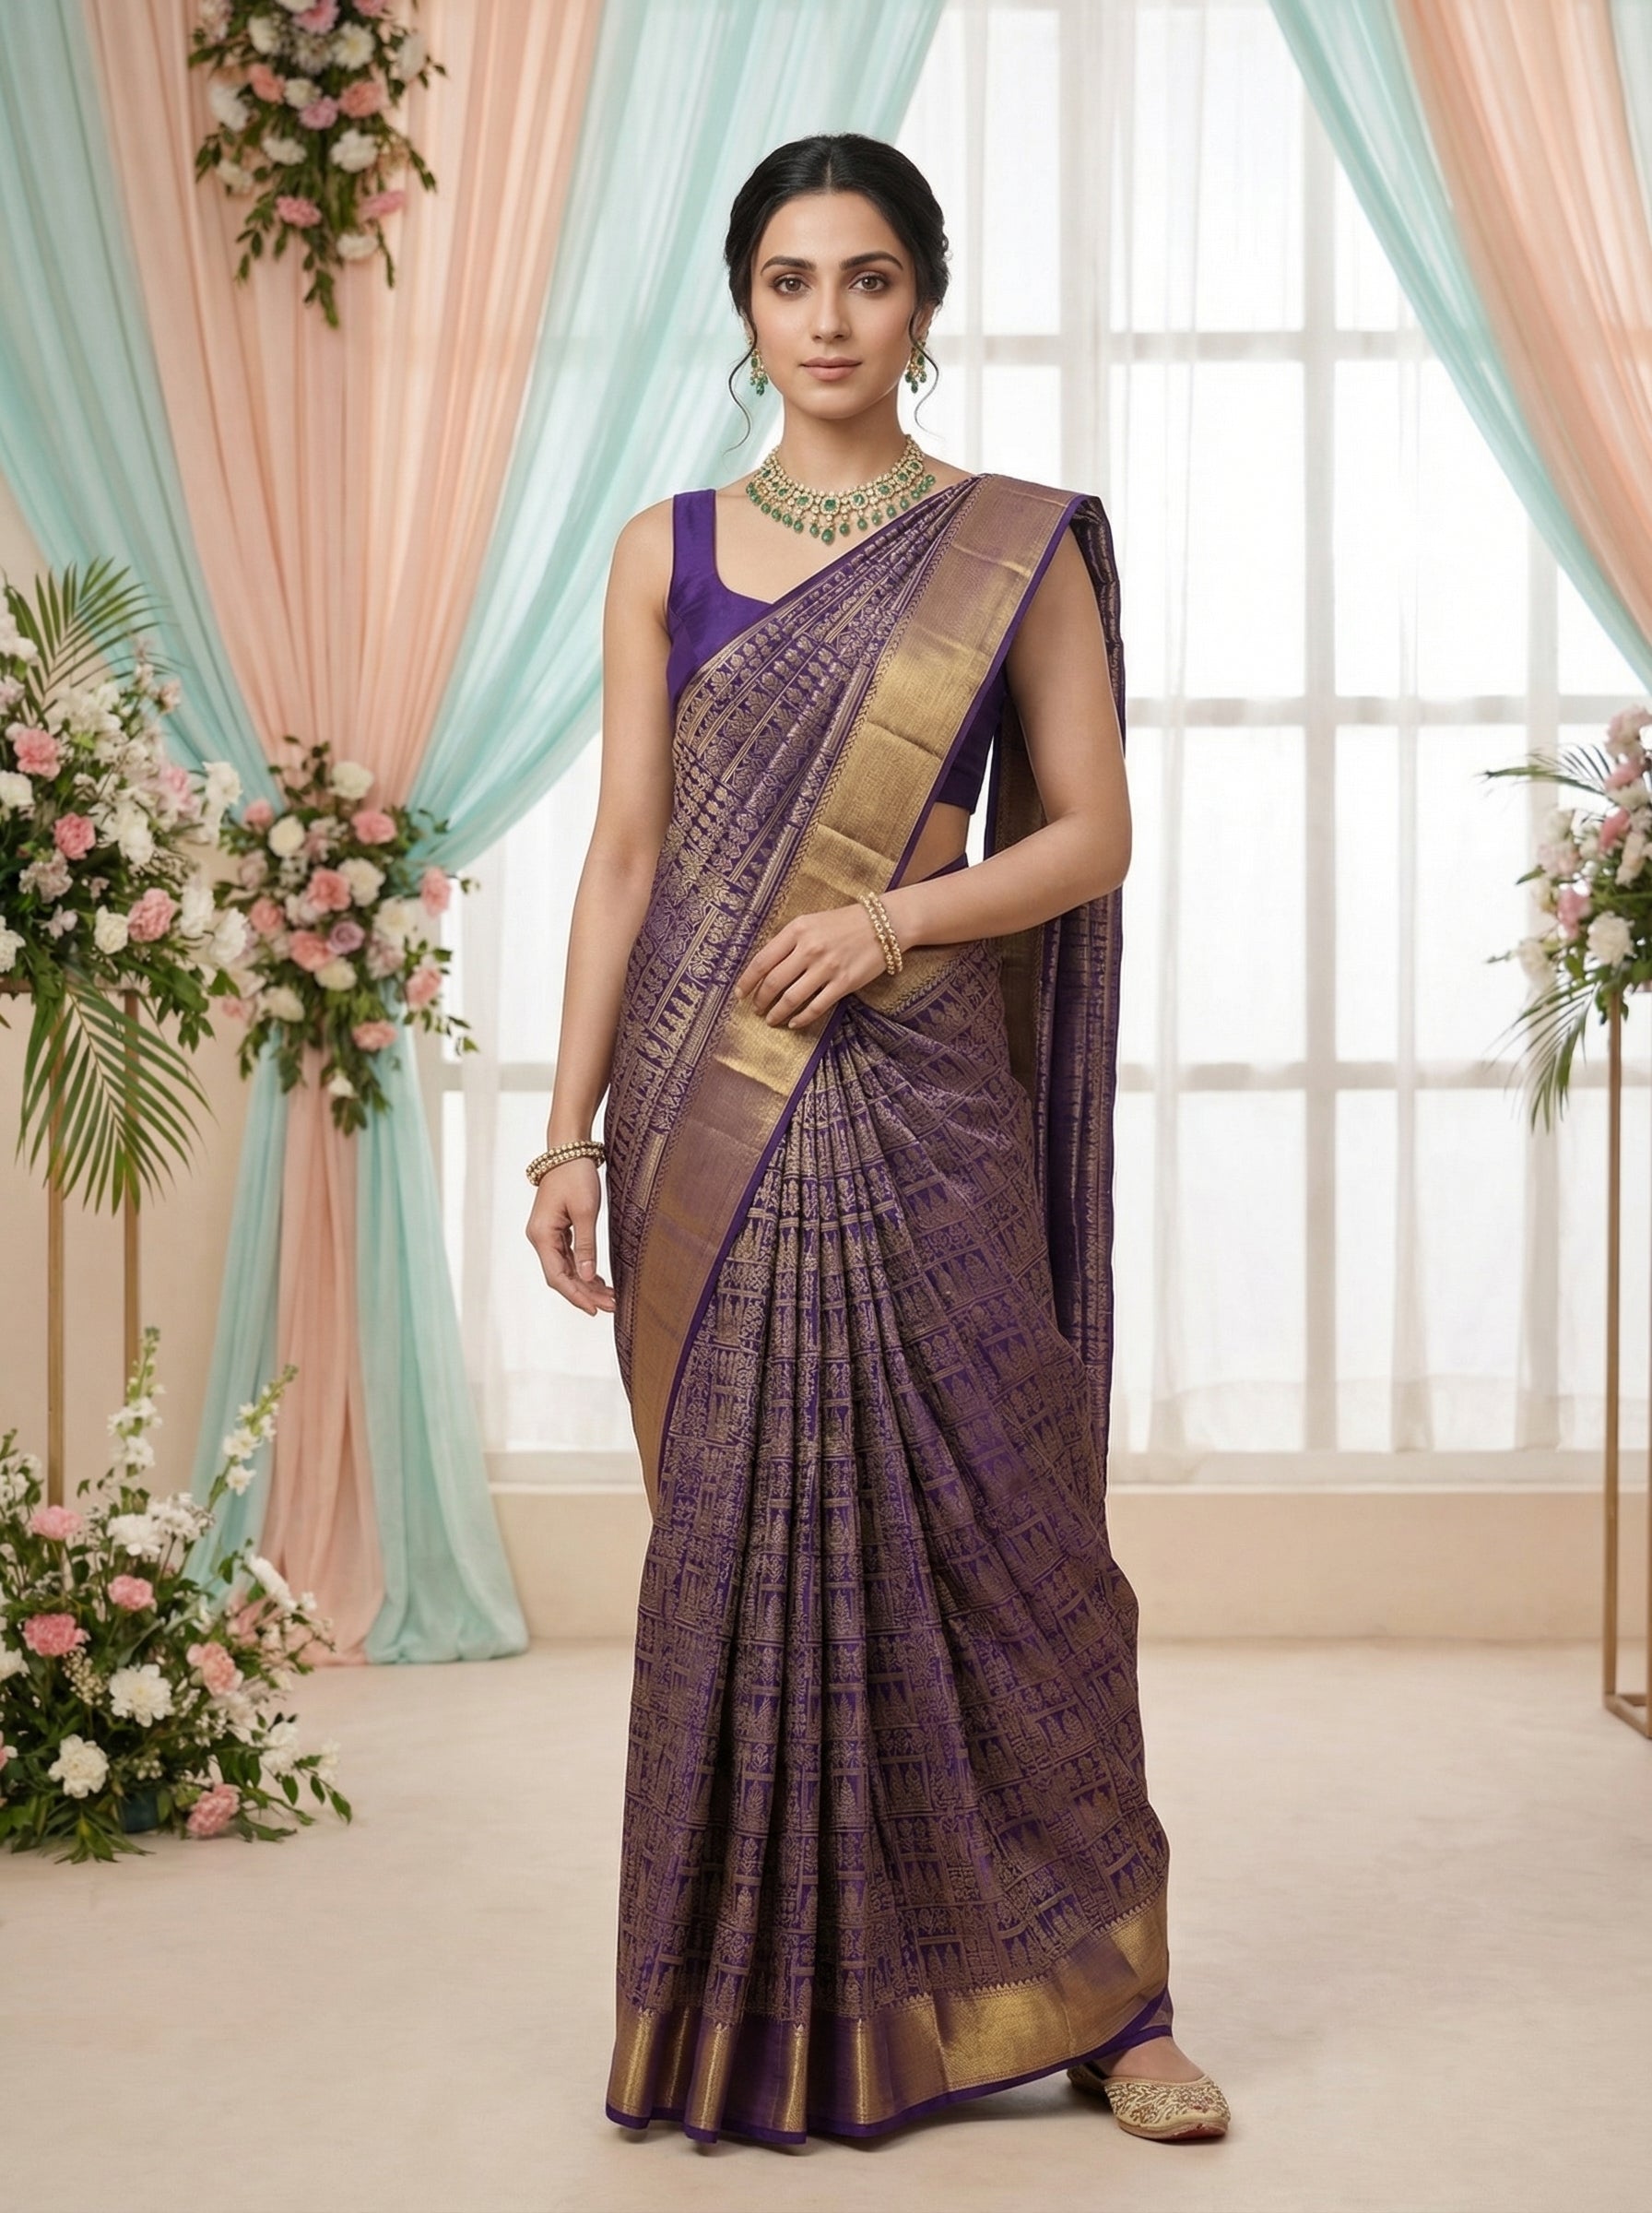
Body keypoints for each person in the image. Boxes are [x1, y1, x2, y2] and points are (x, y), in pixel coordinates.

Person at [525, 132, 1230, 2152]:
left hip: (926, 1093)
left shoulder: (1014, 543)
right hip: (709, 1113)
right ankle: (747, 2006)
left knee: (1013, 1545)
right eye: (786, 283)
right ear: (741, 307)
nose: (825, 321)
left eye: (865, 279)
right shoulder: (661, 548)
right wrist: (562, 1135)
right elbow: (626, 857)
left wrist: (892, 920)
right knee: (739, 1552)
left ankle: (1115, 1999)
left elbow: (1084, 831)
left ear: (923, 296)